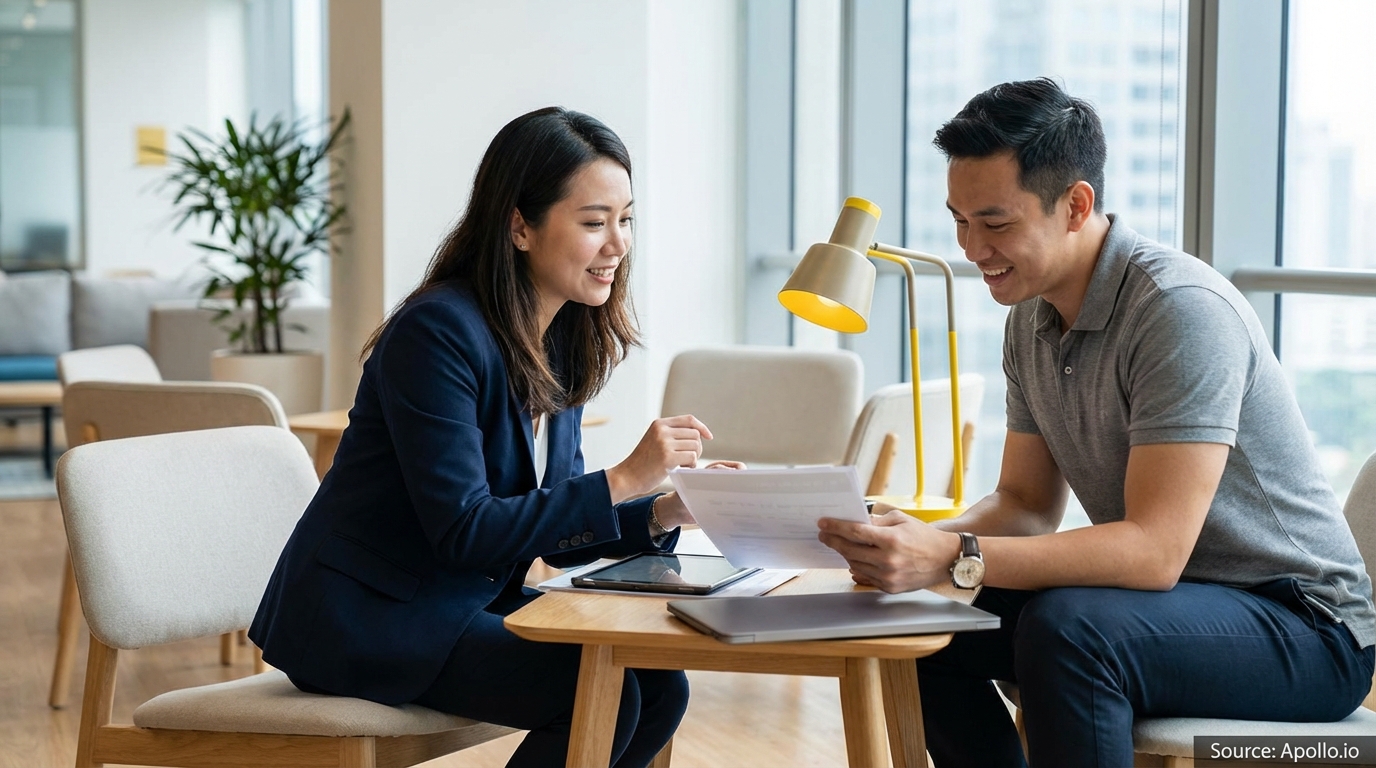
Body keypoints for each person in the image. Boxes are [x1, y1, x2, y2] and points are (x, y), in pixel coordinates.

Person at [816, 78, 1376, 767]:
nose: (970, 248)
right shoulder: (1030, 316)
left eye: (995, 224)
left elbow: (1152, 550)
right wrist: (917, 543)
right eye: (959, 221)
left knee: (1071, 630)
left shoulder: (1180, 311)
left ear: (1075, 205)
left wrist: (954, 557)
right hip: (1170, 608)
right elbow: (1025, 506)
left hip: (1303, 628)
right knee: (922, 618)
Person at [250, 107, 728, 768]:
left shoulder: (559, 340)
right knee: (602, 690)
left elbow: (549, 528)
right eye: (594, 222)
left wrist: (661, 511)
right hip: (368, 619)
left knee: (659, 684)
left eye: (625, 220)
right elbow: (465, 531)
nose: (617, 244)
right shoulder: (436, 333)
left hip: (458, 604)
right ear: (520, 226)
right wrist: (623, 479)